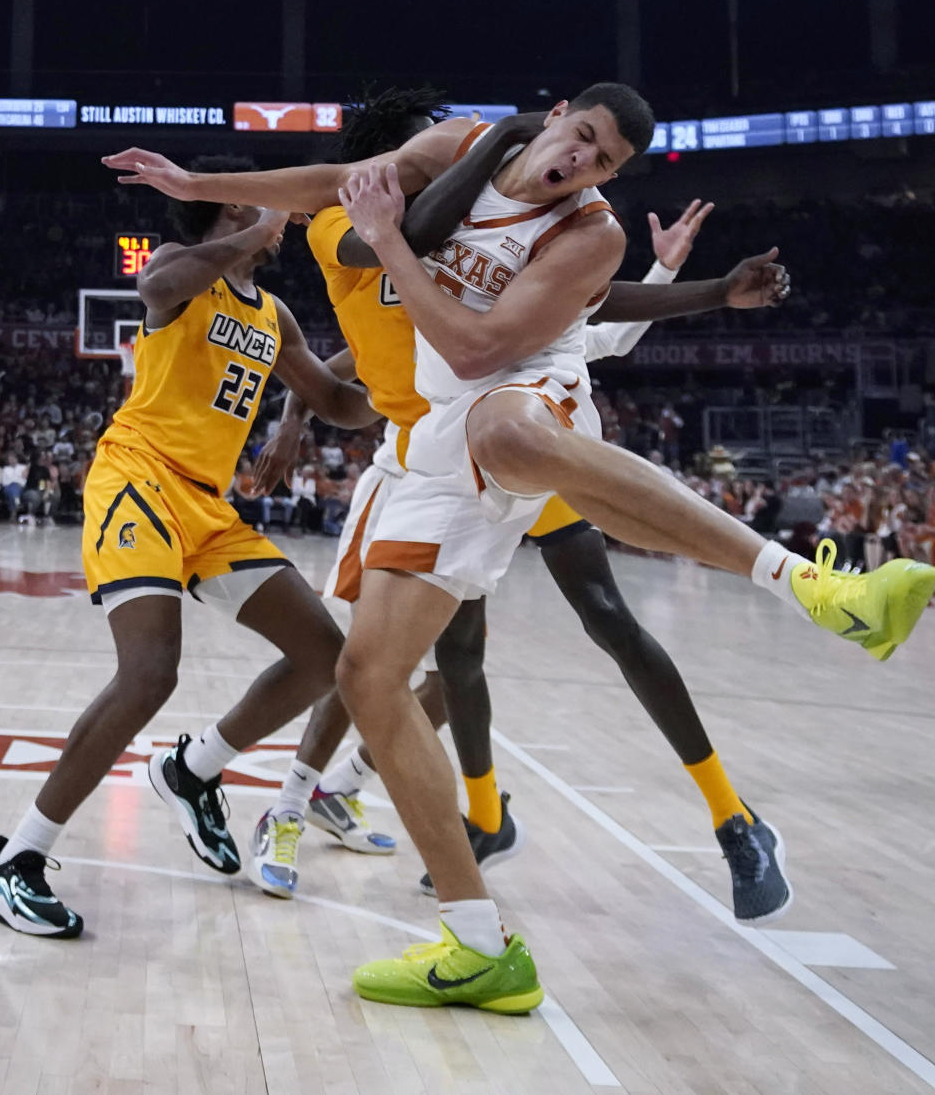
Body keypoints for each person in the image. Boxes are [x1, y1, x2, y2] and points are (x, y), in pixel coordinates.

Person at [103, 87, 935, 1012]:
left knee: (563, 545)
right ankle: (477, 942)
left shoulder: (586, 227)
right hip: (418, 450)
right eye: (580, 138)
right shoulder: (375, 207)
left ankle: (815, 586)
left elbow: (504, 325)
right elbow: (347, 204)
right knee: (371, 678)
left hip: (517, 387)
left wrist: (694, 288)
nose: (583, 163)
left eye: (605, 159)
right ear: (558, 116)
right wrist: (199, 179)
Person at [253, 87, 798, 924]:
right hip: (435, 455)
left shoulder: (506, 204)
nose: (431, 159)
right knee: (436, 655)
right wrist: (294, 416)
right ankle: (456, 809)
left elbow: (591, 306)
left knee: (602, 615)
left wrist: (695, 285)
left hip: (517, 426)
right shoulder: (373, 219)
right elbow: (343, 348)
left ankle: (731, 815)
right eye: (416, 154)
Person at [0, 162, 379, 939]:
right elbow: (156, 289)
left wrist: (401, 365)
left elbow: (333, 403)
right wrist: (259, 229)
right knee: (150, 672)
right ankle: (14, 860)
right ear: (232, 206)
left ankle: (190, 770)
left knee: (325, 656)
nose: (281, 213)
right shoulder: (178, 269)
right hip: (138, 478)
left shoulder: (275, 315)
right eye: (261, 200)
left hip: (207, 504)